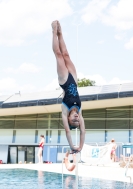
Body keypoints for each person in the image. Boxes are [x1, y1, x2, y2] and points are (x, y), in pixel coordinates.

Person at [52, 20, 85, 153]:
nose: (77, 118)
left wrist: (73, 146)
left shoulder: (65, 111)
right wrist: (81, 146)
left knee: (59, 56)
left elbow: (67, 131)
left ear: (69, 120)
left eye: (74, 121)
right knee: (66, 54)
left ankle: (54, 31)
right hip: (75, 80)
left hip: (65, 81)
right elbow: (83, 131)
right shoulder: (79, 111)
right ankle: (60, 34)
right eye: (78, 120)